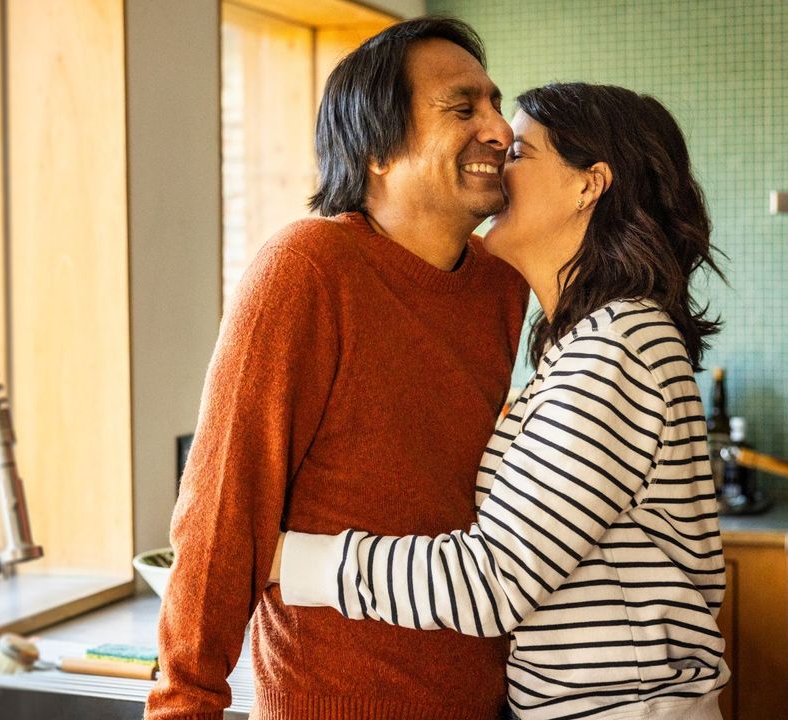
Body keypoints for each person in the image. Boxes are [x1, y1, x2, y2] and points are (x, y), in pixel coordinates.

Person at [272, 83, 730, 720]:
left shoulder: (617, 346)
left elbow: (493, 581)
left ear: (588, 185)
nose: (495, 170)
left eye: (519, 153)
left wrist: (282, 556)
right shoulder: (588, 342)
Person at [144, 16, 530, 720]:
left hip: (484, 701)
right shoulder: (306, 270)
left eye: (495, 105)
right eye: (464, 108)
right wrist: (184, 703)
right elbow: (224, 509)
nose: (502, 131)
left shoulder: (502, 287)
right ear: (377, 149)